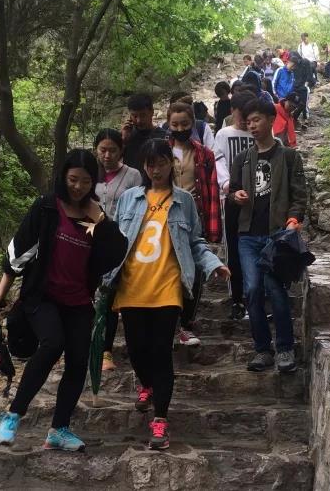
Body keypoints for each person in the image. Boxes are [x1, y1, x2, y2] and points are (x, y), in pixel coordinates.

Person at [0, 149, 128, 450]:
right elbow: (19, 248)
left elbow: (118, 250)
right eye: (73, 179)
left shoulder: (94, 216)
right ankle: (13, 415)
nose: (78, 186)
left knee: (78, 360)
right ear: (64, 176)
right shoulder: (47, 207)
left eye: (85, 181)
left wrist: (101, 219)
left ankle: (59, 429)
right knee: (52, 343)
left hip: (78, 300)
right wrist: (2, 289)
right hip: (43, 296)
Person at [105, 139, 230, 450]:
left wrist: (213, 263)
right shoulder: (129, 199)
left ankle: (160, 420)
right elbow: (115, 241)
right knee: (136, 350)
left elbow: (196, 242)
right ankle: (147, 385)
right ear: (144, 167)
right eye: (150, 164)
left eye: (161, 163)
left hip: (167, 286)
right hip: (132, 286)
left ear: (170, 164)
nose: (156, 170)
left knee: (161, 352)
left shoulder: (184, 201)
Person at [229, 99, 306, 373]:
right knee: (252, 290)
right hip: (248, 235)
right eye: (248, 121)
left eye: (257, 119)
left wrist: (293, 219)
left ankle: (285, 348)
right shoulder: (242, 159)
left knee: (275, 289)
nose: (252, 125)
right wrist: (235, 196)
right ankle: (263, 349)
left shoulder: (288, 157)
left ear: (272, 120)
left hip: (277, 236)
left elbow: (299, 195)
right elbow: (232, 191)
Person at [166, 101, 222, 346]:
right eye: (175, 124)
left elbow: (211, 190)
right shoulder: (161, 151)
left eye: (185, 124)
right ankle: (171, 323)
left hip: (194, 218)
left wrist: (213, 230)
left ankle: (186, 323)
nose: (180, 129)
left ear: (193, 124)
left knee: (195, 271)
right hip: (165, 218)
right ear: (168, 125)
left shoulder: (204, 154)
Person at [93, 129, 142, 371]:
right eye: (103, 150)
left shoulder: (133, 175)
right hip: (91, 244)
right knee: (97, 297)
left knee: (112, 296)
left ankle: (107, 351)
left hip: (122, 244)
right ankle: (93, 346)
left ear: (121, 151)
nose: (107, 155)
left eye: (112, 150)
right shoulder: (90, 174)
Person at [213, 91, 256, 320]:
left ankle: (256, 295)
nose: (245, 120)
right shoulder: (224, 134)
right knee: (234, 248)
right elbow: (218, 160)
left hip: (257, 201)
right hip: (230, 199)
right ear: (232, 112)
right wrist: (227, 185)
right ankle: (237, 298)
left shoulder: (258, 133)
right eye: (241, 114)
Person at [121, 93, 167, 173]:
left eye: (143, 115)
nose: (139, 120)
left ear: (152, 112)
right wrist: (124, 140)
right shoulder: (126, 136)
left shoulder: (163, 136)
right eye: (135, 116)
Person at [288, 51, 313, 126]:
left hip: (304, 86)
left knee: (304, 103)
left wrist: (306, 84)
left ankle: (306, 118)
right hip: (296, 86)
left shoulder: (305, 62)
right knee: (296, 103)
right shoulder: (294, 65)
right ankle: (295, 118)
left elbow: (309, 74)